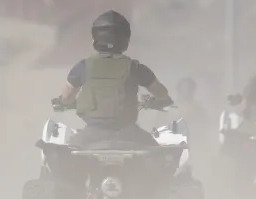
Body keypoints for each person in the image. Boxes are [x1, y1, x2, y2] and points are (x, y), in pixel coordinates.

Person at [54, 10, 174, 149]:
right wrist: (160, 101)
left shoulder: (83, 66)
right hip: (129, 133)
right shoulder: (134, 67)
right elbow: (161, 92)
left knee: (68, 156)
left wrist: (62, 102)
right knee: (156, 155)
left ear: (95, 37)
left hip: (92, 134)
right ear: (125, 38)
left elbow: (67, 96)